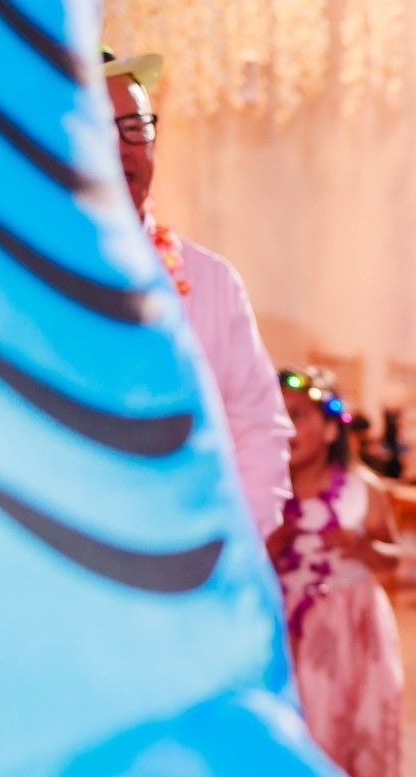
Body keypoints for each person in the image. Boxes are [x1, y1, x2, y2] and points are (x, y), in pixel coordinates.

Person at [103, 49, 292, 537]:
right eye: (100, 127)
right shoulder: (24, 273)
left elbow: (258, 428)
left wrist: (235, 543)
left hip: (189, 549)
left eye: (135, 127)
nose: (122, 148)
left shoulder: (212, 282)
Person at [266, 367, 404, 777]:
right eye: (278, 412)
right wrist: (273, 544)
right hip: (284, 624)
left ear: (330, 429)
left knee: (337, 726)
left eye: (299, 415)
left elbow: (393, 558)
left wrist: (363, 546)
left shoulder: (361, 491)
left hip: (346, 630)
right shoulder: (264, 489)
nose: (286, 424)